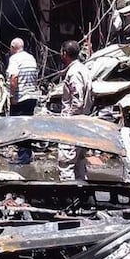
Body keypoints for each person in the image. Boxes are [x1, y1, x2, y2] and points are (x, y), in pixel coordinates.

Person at [59, 40, 92, 180]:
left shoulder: (74, 73)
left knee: (66, 163)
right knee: (79, 162)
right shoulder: (83, 69)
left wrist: (69, 121)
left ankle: (67, 196)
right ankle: (82, 197)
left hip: (72, 125)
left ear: (64, 54)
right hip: (82, 123)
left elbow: (77, 102)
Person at [6, 37, 39, 163]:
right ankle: (27, 154)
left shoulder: (14, 59)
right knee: (27, 126)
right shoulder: (31, 58)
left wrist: (12, 96)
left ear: (13, 48)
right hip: (31, 96)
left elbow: (14, 77)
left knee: (19, 128)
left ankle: (23, 157)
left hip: (20, 98)